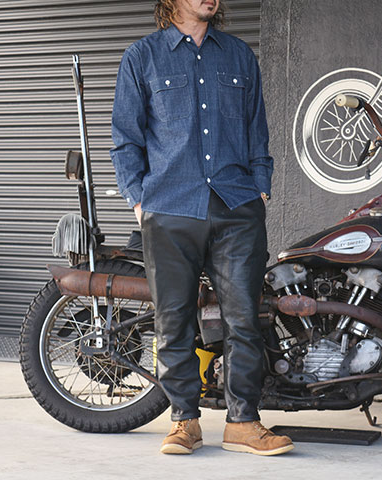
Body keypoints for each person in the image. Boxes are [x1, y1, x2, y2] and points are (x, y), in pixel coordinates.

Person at [110, 0, 293, 456]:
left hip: (236, 205)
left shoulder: (238, 55)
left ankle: (243, 423)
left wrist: (261, 189)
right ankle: (184, 422)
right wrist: (139, 201)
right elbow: (126, 138)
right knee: (173, 322)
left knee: (244, 319)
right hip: (170, 206)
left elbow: (256, 130)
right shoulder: (142, 57)